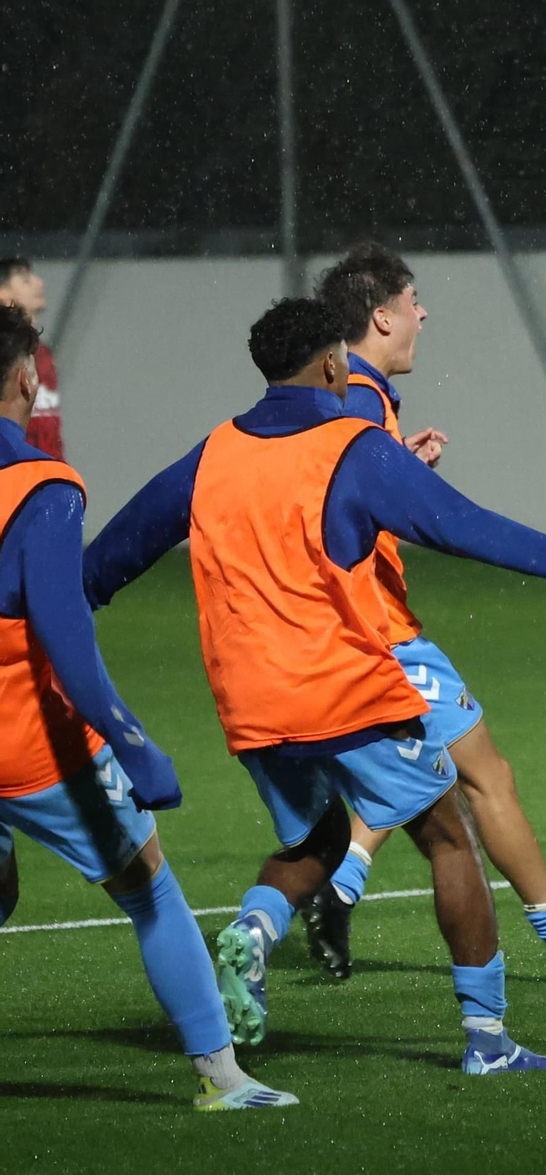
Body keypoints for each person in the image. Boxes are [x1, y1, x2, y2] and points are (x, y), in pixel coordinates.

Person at [83, 298, 546, 1072]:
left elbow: (109, 557)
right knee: (449, 835)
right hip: (343, 687)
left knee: (316, 839)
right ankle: (488, 1040)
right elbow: (469, 527)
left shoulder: (211, 453)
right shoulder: (352, 445)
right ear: (329, 363)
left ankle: (252, 931)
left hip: (249, 701)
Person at [299, 244, 546, 980]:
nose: (423, 313)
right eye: (412, 301)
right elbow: (458, 527)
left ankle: (336, 895)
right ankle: (534, 963)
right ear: (381, 316)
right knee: (477, 781)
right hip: (381, 633)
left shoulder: (354, 400)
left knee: (434, 781)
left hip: (352, 631)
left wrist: (403, 468)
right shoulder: (362, 404)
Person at [0, 304, 294, 1110]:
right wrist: (133, 745)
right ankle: (221, 1077)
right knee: (149, 888)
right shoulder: (42, 490)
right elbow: (65, 637)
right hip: (28, 744)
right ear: (28, 378)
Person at [0, 259, 63, 458]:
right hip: (15, 472)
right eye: (26, 280)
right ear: (3, 293)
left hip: (45, 471)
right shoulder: (6, 353)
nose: (39, 283)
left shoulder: (43, 353)